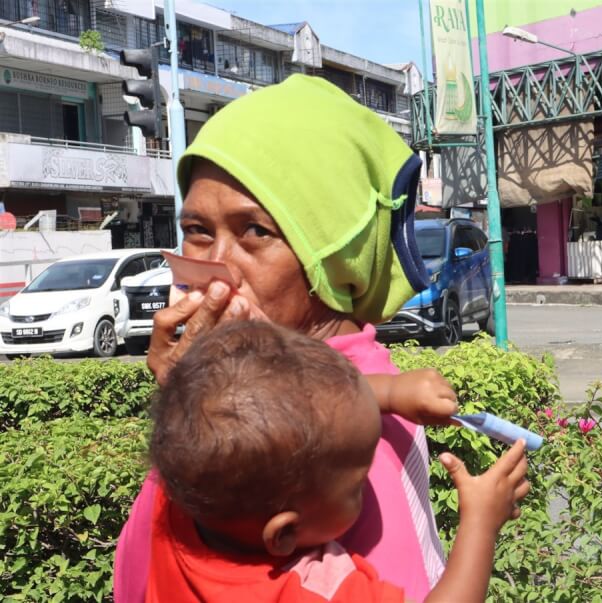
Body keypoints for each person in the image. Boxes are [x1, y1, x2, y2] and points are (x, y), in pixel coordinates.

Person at [115, 74, 456, 603]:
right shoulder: (269, 396)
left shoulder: (335, 428)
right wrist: (187, 393)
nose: (217, 266)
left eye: (255, 232)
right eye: (198, 229)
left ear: (330, 255)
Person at [147, 320, 529, 602]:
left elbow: (280, 403)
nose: (370, 486)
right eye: (358, 484)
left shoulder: (180, 509)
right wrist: (480, 522)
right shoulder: (313, 590)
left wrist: (391, 392)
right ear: (283, 535)